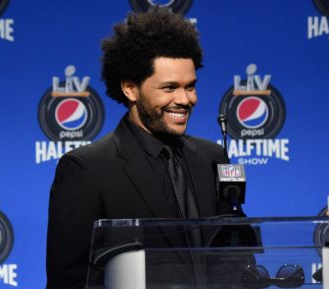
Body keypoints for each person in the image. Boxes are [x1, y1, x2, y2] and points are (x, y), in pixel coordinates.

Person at [46, 8, 239, 289]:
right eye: (170, 88)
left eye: (190, 87)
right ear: (130, 88)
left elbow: (231, 254)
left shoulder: (212, 157)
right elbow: (70, 281)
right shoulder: (86, 169)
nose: (185, 99)